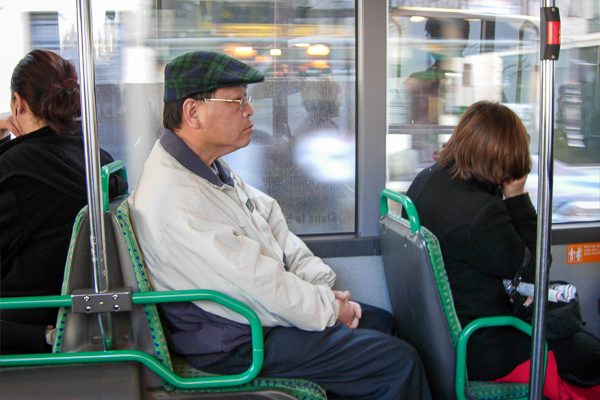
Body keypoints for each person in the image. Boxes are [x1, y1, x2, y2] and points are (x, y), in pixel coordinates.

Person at [128, 51, 432, 400]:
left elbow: (271, 225)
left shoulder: (207, 169)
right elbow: (257, 284)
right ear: (192, 112)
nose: (249, 110)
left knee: (381, 323)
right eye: (237, 101)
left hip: (252, 316)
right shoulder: (177, 201)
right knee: (398, 363)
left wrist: (319, 286)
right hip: (236, 341)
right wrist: (330, 308)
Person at [405, 101, 600, 393]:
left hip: (442, 337)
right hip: (487, 344)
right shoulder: (480, 213)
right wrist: (517, 196)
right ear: (503, 159)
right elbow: (536, 271)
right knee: (591, 355)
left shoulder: (426, 181)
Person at [0, 49, 128, 354]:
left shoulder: (15, 172)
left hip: (19, 326)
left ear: (18, 102)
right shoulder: (98, 159)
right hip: (77, 317)